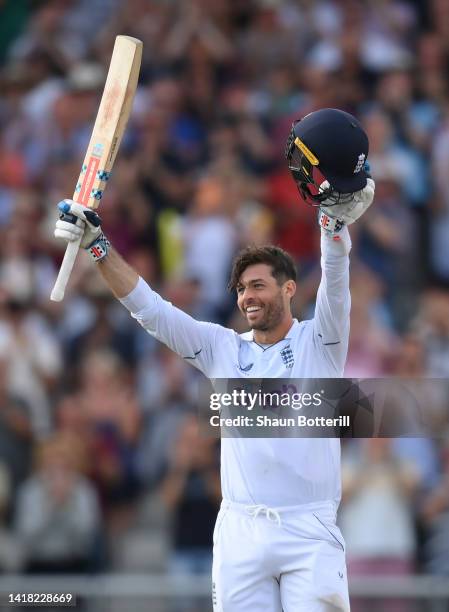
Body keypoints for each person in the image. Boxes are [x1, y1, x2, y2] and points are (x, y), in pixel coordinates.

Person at [54, 108, 375, 611]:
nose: (248, 297)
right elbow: (151, 311)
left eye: (259, 286)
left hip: (308, 528)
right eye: (242, 288)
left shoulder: (322, 343)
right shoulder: (224, 349)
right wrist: (98, 247)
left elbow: (337, 283)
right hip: (241, 530)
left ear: (289, 289)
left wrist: (333, 227)